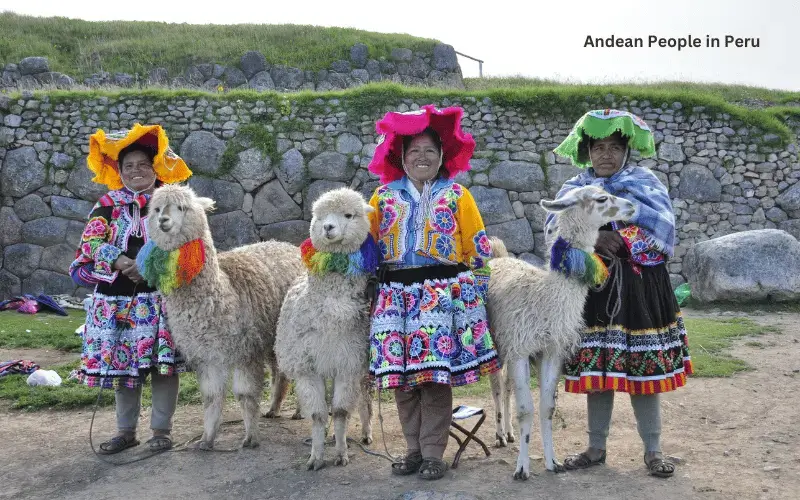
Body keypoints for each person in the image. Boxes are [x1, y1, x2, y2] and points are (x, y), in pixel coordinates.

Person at [546, 109, 692, 478]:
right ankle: (595, 447)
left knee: (642, 372)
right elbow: (557, 232)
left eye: (613, 147)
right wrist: (595, 238)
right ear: (587, 152)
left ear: (626, 151)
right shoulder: (574, 191)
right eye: (598, 147)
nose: (606, 154)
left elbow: (663, 229)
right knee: (599, 371)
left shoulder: (645, 183)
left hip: (639, 290)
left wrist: (622, 238)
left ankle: (653, 450)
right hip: (594, 293)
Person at [366, 105, 500, 480]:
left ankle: (432, 454)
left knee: (432, 377)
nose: (422, 157)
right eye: (414, 151)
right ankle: (411, 450)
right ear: (402, 158)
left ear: (441, 156)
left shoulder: (457, 195)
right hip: (395, 295)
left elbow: (478, 246)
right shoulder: (382, 198)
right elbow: (366, 248)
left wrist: (476, 296)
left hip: (441, 296)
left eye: (429, 151)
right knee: (401, 377)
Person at [69, 124, 193, 454]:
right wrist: (122, 260)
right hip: (116, 302)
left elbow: (187, 243)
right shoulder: (107, 204)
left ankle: (161, 431)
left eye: (142, 164)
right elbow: (91, 242)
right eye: (129, 166)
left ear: (155, 167)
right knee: (123, 367)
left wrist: (148, 264)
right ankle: (126, 431)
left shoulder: (172, 201)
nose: (136, 171)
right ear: (119, 171)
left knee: (162, 366)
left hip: (160, 298)